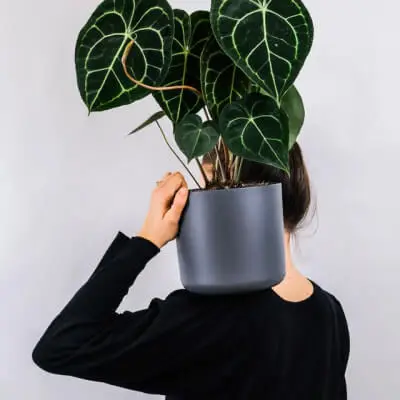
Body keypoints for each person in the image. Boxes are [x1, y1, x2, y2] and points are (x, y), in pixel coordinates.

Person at [32, 143, 350, 399]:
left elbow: (61, 345)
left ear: (230, 196)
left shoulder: (208, 318)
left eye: (204, 188)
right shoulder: (329, 314)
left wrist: (147, 239)